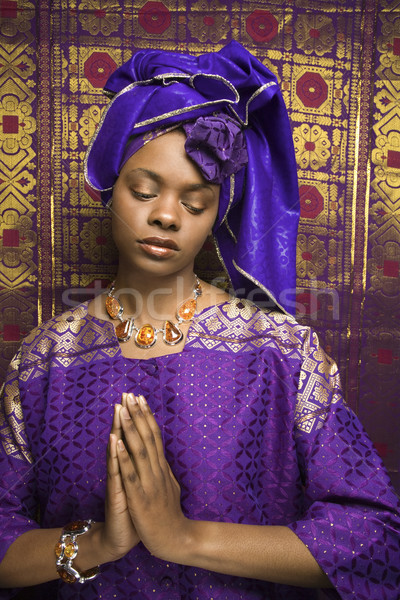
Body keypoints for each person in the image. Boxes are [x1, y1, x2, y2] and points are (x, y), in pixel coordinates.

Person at [0, 41, 399, 600]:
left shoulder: (280, 355)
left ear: (218, 213)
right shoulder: (45, 364)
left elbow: (375, 539)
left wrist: (183, 538)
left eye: (195, 202)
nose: (165, 215)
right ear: (110, 186)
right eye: (143, 191)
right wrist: (95, 544)